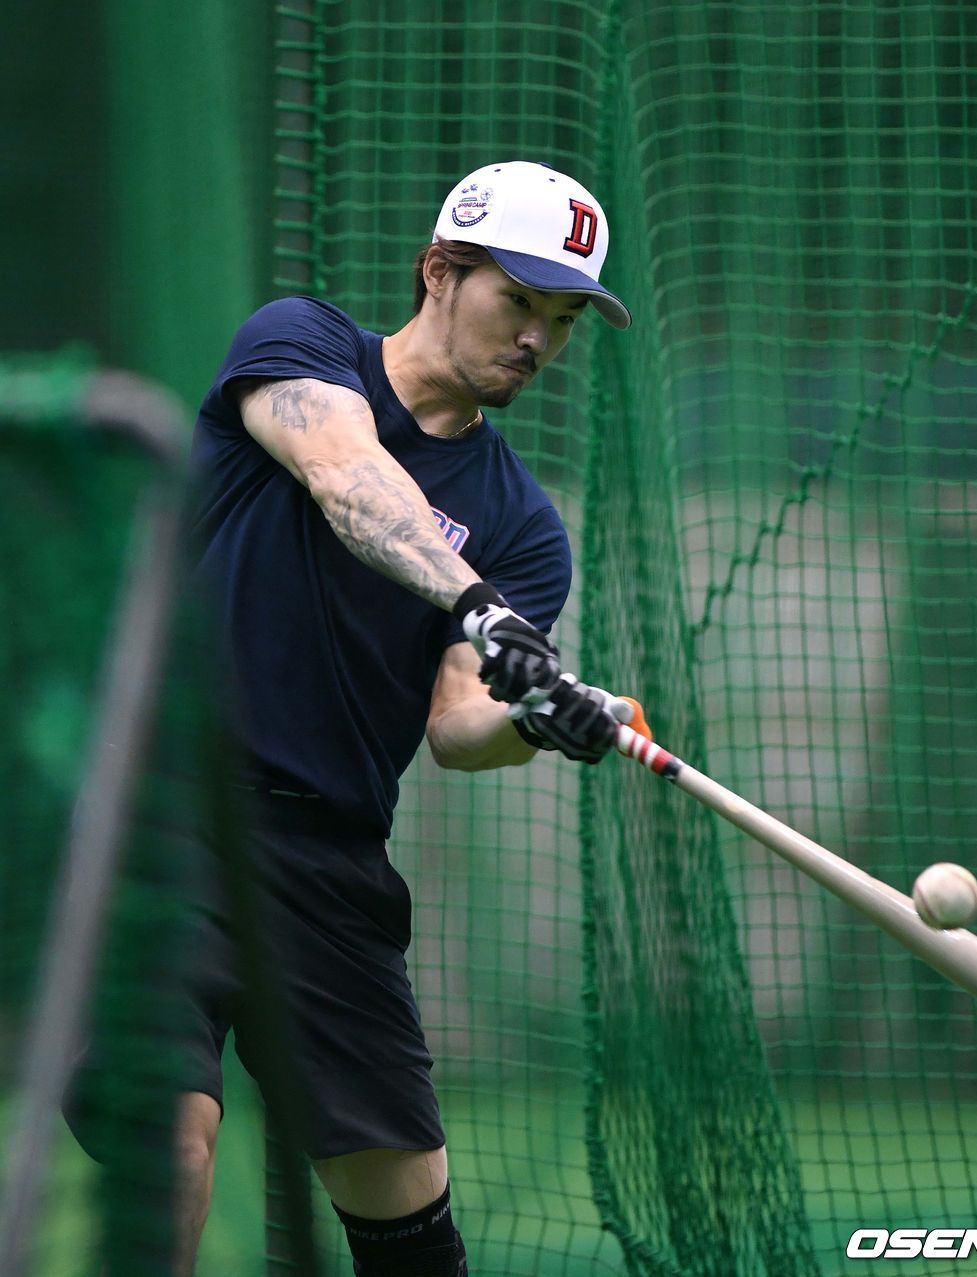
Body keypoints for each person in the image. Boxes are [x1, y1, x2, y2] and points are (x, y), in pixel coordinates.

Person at [182, 160, 636, 1276]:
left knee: (411, 1233)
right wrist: (480, 607)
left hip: (329, 861)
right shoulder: (303, 346)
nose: (537, 338)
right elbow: (346, 477)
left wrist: (535, 709)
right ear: (439, 269)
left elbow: (455, 723)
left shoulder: (524, 524)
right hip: (169, 813)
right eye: (518, 300)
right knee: (173, 1140)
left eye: (564, 318)